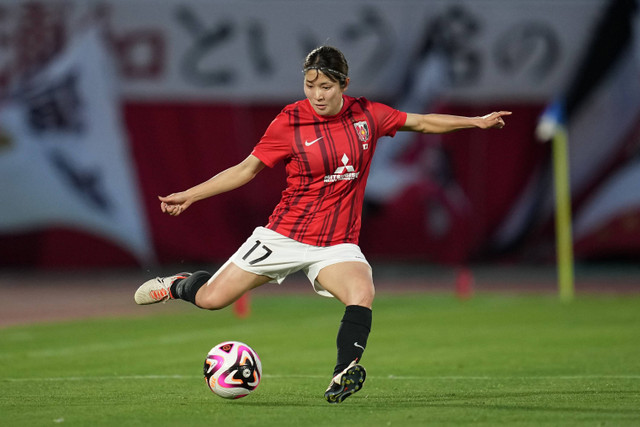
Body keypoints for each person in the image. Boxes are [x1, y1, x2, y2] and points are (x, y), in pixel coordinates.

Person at [134, 45, 511, 404]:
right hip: (284, 235)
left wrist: (475, 122)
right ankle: (179, 285)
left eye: (326, 87)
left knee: (361, 292)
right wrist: (191, 194)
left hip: (336, 245)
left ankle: (343, 372)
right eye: (310, 85)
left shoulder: (368, 115)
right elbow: (246, 169)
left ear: (344, 85)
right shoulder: (290, 121)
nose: (317, 94)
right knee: (211, 300)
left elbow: (424, 122)